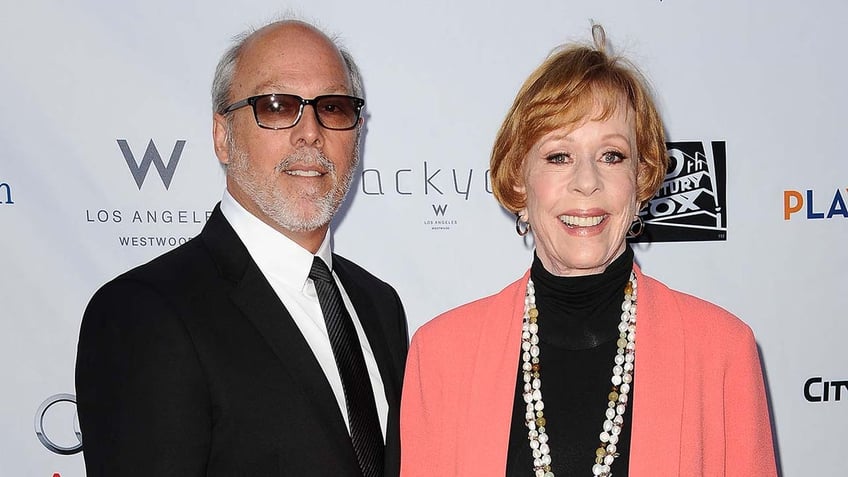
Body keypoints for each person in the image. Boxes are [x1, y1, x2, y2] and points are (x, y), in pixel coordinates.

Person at [400, 25, 777, 477]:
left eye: (612, 155)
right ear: (519, 179)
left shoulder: (721, 352)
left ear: (642, 179)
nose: (586, 181)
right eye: (559, 156)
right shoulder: (441, 355)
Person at [75, 19, 408, 477]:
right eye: (276, 106)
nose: (309, 132)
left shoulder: (379, 305)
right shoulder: (144, 312)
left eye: (332, 107)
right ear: (222, 136)